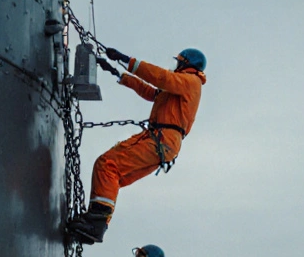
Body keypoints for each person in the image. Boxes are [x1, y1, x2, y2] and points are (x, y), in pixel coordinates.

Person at [65, 47, 207, 245]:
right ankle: (95, 225)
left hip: (161, 139)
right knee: (114, 177)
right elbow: (152, 92)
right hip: (164, 143)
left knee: (107, 165)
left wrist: (128, 61)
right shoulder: (180, 87)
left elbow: (161, 78)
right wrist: (118, 74)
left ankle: (95, 223)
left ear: (186, 64)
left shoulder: (190, 82)